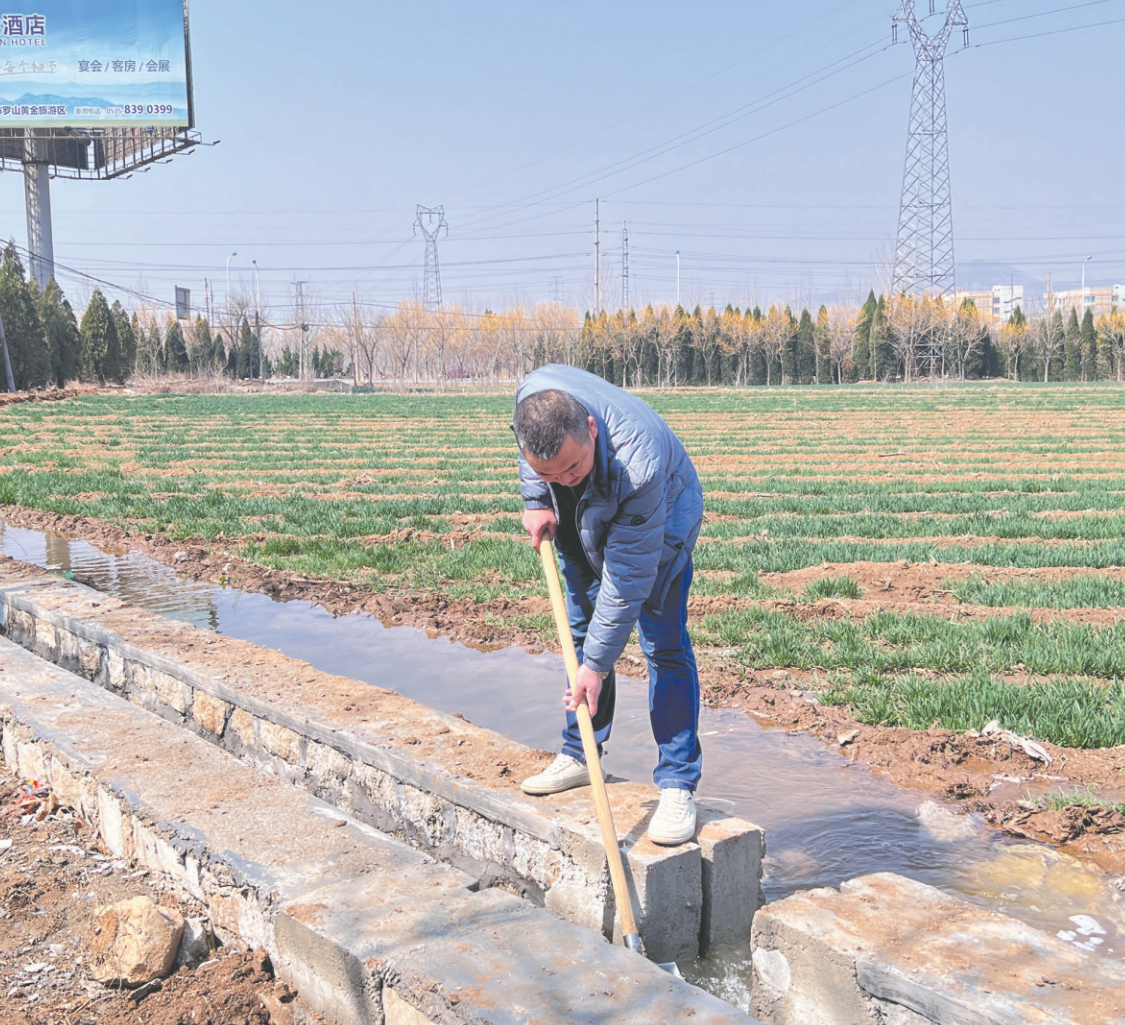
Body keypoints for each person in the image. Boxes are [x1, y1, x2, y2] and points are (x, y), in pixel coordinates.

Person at [512, 364, 704, 846]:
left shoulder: (638, 467)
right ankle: (581, 754)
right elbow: (540, 461)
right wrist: (539, 495)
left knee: (662, 645)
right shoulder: (534, 403)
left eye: (571, 469)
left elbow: (625, 582)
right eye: (548, 471)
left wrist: (596, 666)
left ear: (591, 430)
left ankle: (678, 784)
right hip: (581, 520)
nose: (564, 479)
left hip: (660, 525)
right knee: (580, 629)